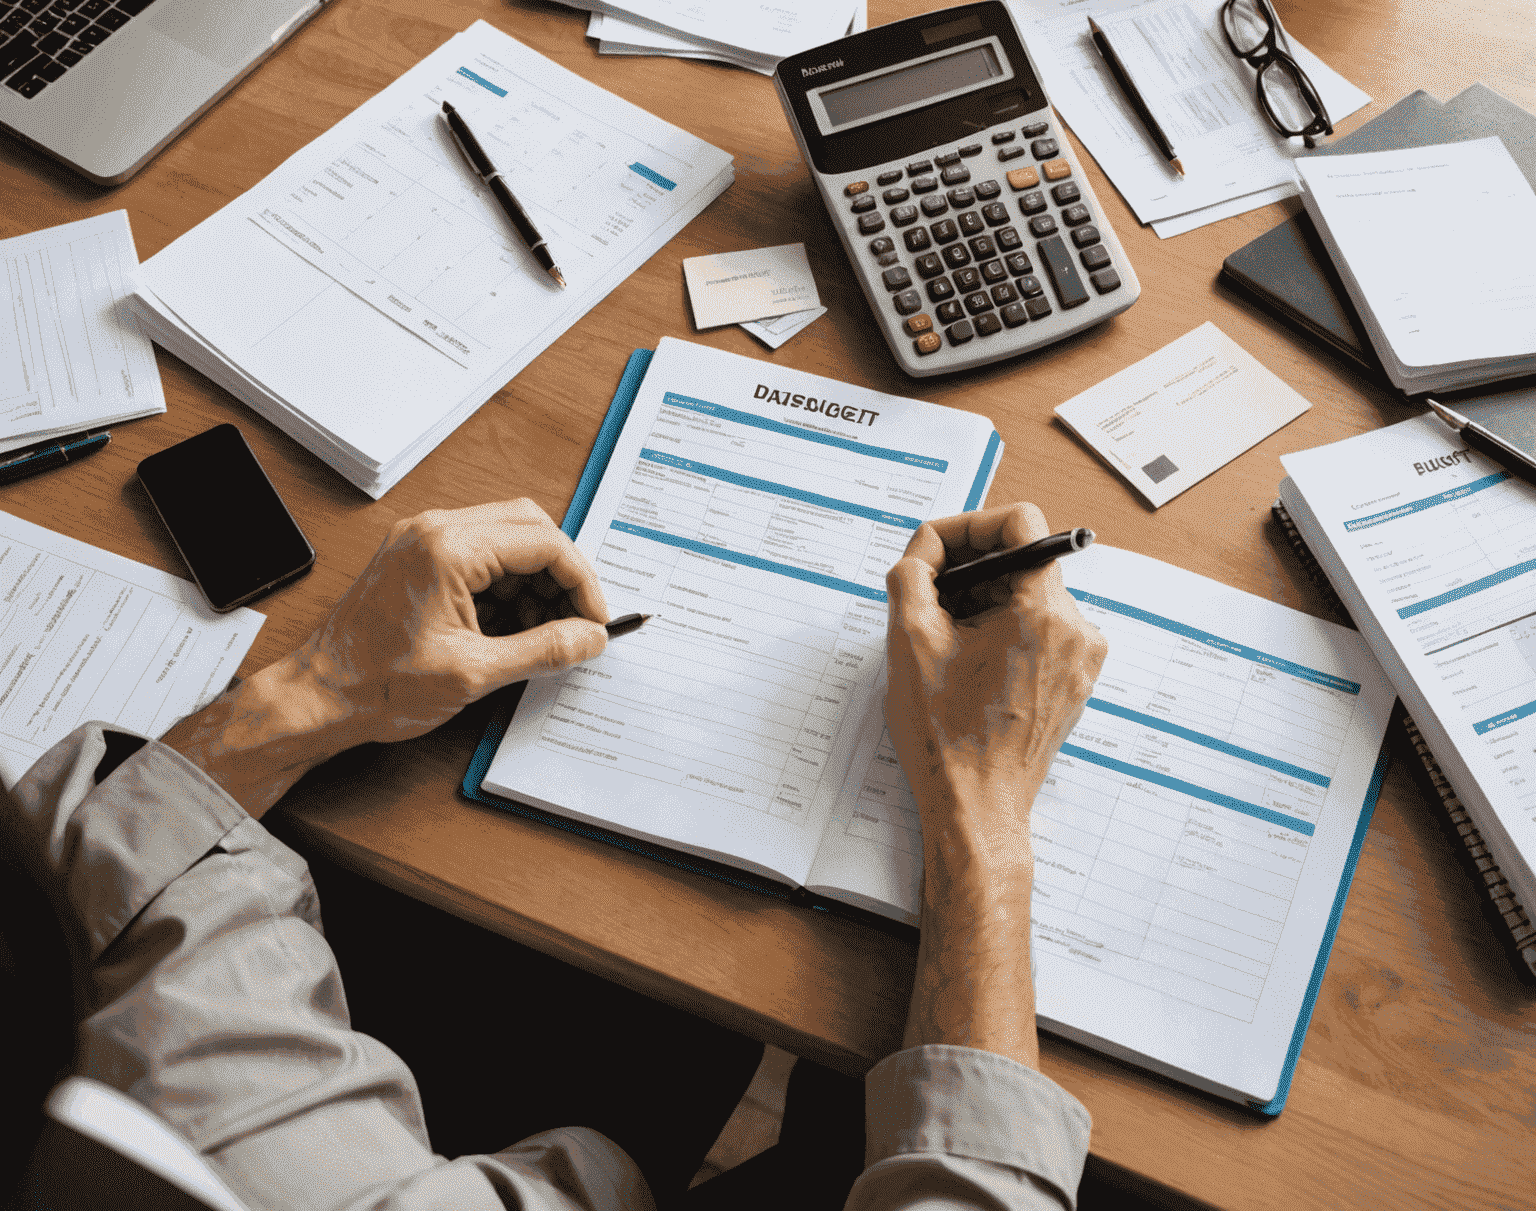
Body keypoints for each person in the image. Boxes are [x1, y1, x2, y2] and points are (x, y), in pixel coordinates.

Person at [4, 493, 1107, 1210]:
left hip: (463, 1148)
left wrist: (325, 685)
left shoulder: (129, 1099)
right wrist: (981, 816)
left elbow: (110, 914)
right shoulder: (235, 1172)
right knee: (824, 1076)